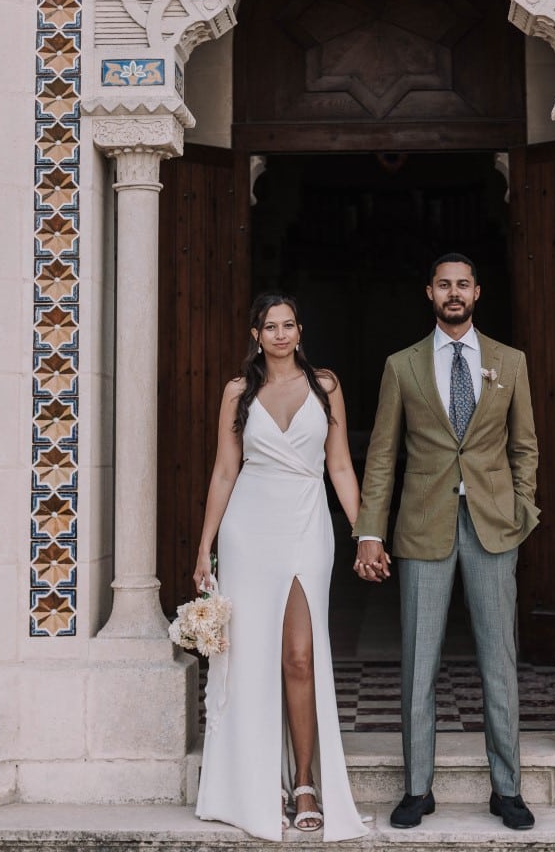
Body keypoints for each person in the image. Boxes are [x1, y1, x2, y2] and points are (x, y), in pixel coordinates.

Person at [353, 253, 540, 831]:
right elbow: (383, 454)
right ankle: (417, 788)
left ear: (478, 293)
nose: (453, 293)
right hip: (421, 525)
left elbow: (524, 445)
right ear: (429, 293)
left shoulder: (510, 361)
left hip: (492, 524)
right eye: (444, 285)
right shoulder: (401, 366)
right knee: (419, 662)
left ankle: (507, 788)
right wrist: (370, 531)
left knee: (499, 660)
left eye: (463, 285)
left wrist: (522, 509)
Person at [193, 292, 368, 841]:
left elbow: (338, 464)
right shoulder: (238, 393)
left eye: (289, 324)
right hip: (248, 527)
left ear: (300, 330)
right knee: (251, 657)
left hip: (306, 520)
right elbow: (225, 471)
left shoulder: (326, 386)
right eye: (270, 326)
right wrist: (205, 547)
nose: (281, 334)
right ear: (255, 334)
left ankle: (306, 781)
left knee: (299, 654)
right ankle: (254, 780)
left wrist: (366, 532)